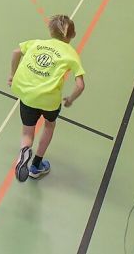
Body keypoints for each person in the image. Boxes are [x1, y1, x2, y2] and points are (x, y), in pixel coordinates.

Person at [9, 15, 86, 182]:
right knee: (49, 125)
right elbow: (80, 85)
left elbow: (16, 52)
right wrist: (71, 99)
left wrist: (12, 75)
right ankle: (36, 166)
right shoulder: (71, 54)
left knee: (28, 131)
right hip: (50, 101)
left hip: (28, 95)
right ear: (72, 35)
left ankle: (24, 151)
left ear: (50, 31)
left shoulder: (37, 43)